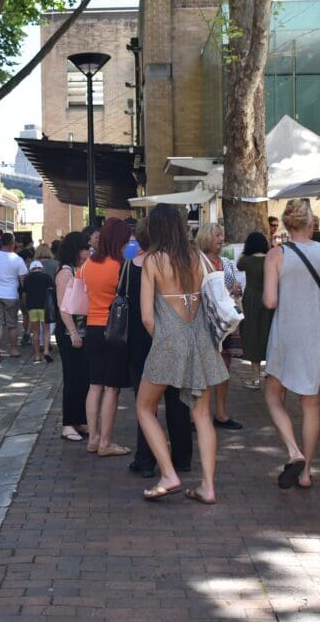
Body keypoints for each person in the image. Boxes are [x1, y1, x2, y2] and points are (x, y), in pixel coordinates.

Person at [136, 204, 229, 503]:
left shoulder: (153, 261)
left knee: (145, 408)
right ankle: (208, 487)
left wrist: (165, 344)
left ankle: (168, 473)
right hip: (200, 338)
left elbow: (147, 318)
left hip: (168, 340)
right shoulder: (197, 257)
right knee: (202, 415)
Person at [263, 199, 320, 490]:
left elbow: (270, 301)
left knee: (274, 394)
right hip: (317, 332)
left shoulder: (276, 254)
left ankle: (293, 450)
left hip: (287, 330)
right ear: (311, 224)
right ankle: (306, 472)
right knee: (311, 403)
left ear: (287, 226)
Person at [126, 217, 192, 479]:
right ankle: (182, 456)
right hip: (174, 337)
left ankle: (145, 459)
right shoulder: (180, 263)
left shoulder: (131, 265)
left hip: (142, 341)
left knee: (146, 404)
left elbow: (143, 313)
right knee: (178, 399)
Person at [80, 218, 133, 457]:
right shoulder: (121, 265)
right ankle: (106, 442)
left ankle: (92, 438)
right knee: (112, 389)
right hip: (115, 329)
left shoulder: (88, 264)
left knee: (94, 385)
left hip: (92, 327)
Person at [196, 223, 244, 431]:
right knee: (203, 369)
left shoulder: (226, 263)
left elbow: (233, 291)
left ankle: (221, 413)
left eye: (221, 235)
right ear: (206, 237)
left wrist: (235, 290)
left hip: (225, 323)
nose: (221, 239)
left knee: (224, 367)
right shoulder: (196, 262)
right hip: (205, 322)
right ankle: (199, 414)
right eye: (217, 235)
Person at [55, 232, 90, 442]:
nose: (88, 251)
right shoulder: (66, 273)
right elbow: (64, 306)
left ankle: (78, 419)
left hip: (77, 329)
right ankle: (68, 423)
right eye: (85, 247)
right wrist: (73, 332)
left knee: (81, 377)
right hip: (70, 330)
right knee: (72, 377)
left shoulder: (76, 270)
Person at [237, 232, 273, 389]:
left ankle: (256, 379)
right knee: (269, 332)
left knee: (252, 334)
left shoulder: (246, 260)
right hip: (269, 297)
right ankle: (270, 372)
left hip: (251, 299)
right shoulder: (270, 259)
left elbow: (238, 265)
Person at [23, 260, 56, 363]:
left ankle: (37, 355)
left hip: (32, 308)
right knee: (46, 330)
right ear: (42, 268)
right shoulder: (46, 277)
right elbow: (52, 291)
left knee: (35, 332)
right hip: (44, 307)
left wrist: (26, 307)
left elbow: (24, 295)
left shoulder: (27, 278)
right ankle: (46, 350)